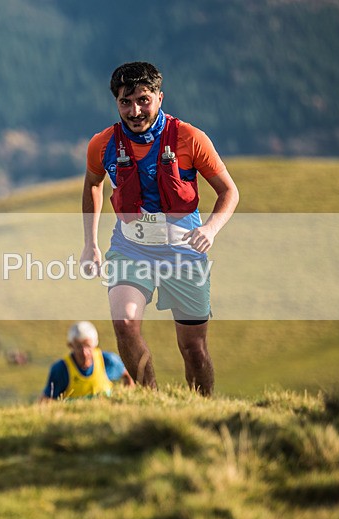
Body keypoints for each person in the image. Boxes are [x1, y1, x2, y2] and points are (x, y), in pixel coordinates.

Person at [80, 62, 239, 396]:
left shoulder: (190, 138)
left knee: (193, 348)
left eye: (143, 99)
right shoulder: (103, 144)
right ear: (116, 103)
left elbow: (229, 192)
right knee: (125, 324)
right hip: (130, 248)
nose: (135, 110)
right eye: (125, 102)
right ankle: (151, 401)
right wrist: (90, 243)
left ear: (159, 97)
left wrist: (210, 229)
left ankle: (201, 408)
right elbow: (93, 185)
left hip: (184, 251)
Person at [40, 321, 134, 401]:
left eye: (88, 346)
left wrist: (126, 398)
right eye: (79, 346)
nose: (84, 352)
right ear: (71, 345)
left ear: (95, 344)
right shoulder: (61, 370)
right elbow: (46, 400)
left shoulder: (109, 361)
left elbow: (128, 375)